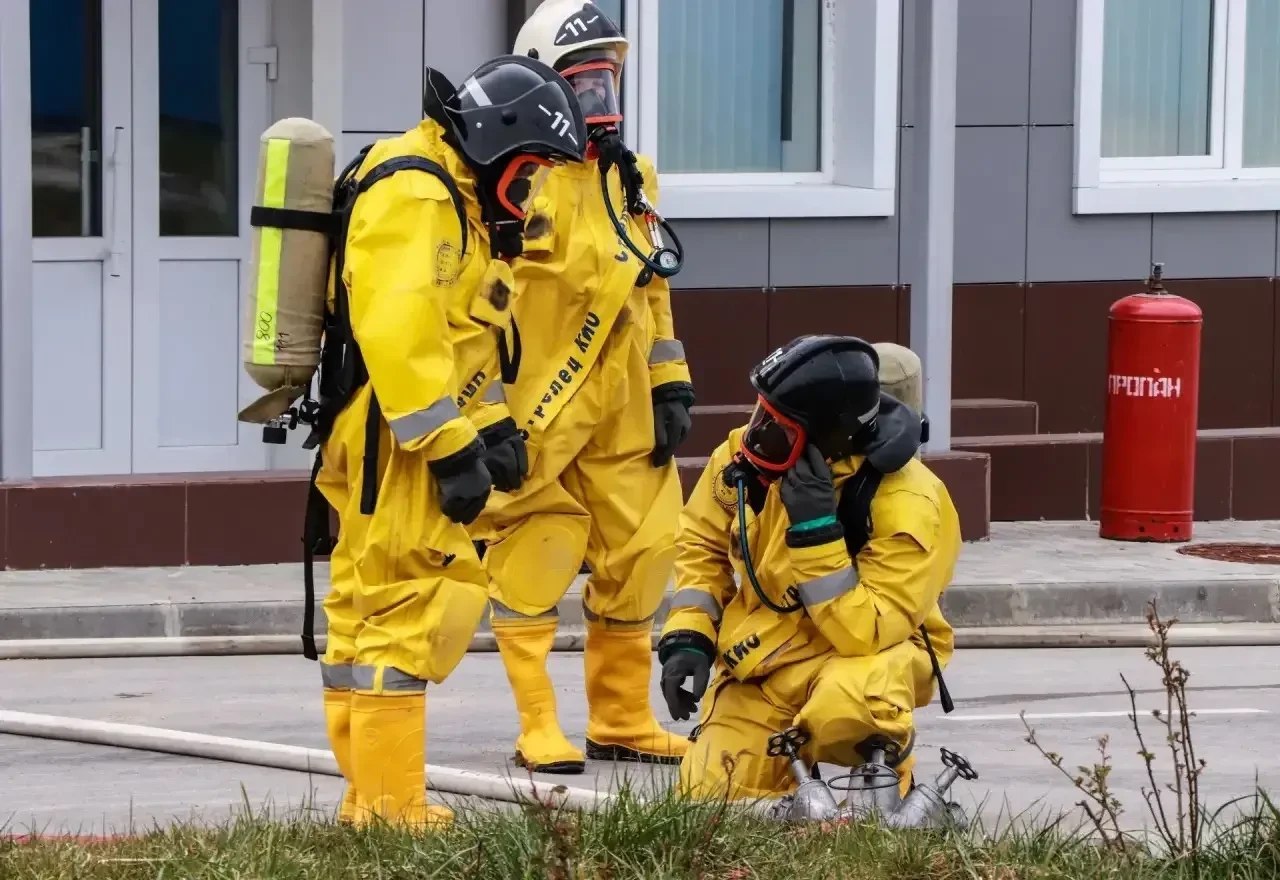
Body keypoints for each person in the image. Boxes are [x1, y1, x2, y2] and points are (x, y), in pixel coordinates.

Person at [310, 55, 588, 830]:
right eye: (529, 171)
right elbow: (399, 334)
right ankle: (393, 804)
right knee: (410, 603)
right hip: (393, 444)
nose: (531, 192)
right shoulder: (419, 193)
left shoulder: (456, 198)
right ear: (497, 145)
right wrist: (447, 445)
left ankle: (369, 800)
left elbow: (462, 341)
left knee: (366, 615)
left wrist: (491, 426)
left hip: (393, 436)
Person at [460, 0, 695, 775]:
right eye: (584, 83)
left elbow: (652, 289)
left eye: (609, 80)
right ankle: (538, 723)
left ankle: (622, 717)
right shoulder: (515, 180)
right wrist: (485, 410)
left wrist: (669, 380)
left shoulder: (632, 178)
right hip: (539, 403)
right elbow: (476, 306)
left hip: (623, 401)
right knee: (537, 546)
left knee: (648, 544)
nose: (601, 101)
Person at [656, 335, 960, 803]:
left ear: (827, 440)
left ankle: (882, 787)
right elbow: (701, 544)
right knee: (708, 799)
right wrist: (689, 636)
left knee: (850, 706)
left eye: (780, 428)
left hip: (864, 656)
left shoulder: (909, 503)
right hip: (768, 658)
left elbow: (865, 630)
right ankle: (795, 797)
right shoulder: (743, 455)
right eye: (762, 414)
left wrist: (817, 533)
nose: (756, 436)